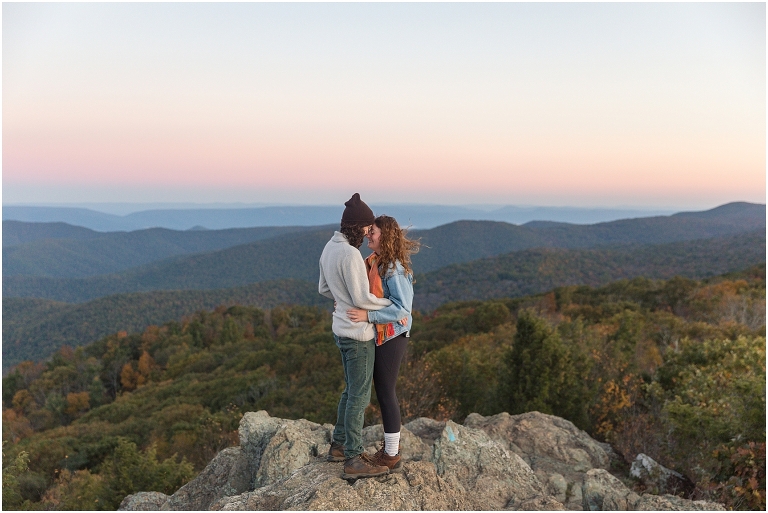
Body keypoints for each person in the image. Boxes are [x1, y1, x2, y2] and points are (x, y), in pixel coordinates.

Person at [318, 193, 392, 480]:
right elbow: (363, 297)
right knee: (359, 396)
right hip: (358, 334)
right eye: (366, 228)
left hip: (340, 330)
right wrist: (391, 306)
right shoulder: (349, 254)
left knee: (350, 391)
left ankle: (338, 445)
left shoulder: (329, 247)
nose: (368, 233)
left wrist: (340, 298)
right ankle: (353, 458)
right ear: (358, 227)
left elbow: (324, 289)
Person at [347, 214, 419, 472]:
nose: (369, 235)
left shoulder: (392, 267)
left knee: (386, 392)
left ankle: (391, 455)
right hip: (380, 334)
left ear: (384, 237)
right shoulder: (375, 262)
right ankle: (390, 451)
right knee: (381, 391)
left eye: (373, 232)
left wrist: (368, 315)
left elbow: (403, 309)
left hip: (392, 335)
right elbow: (367, 295)